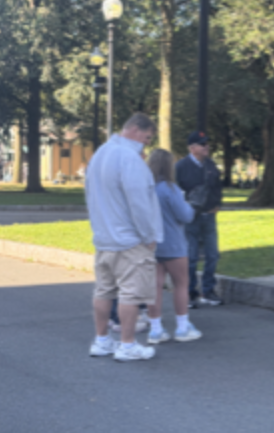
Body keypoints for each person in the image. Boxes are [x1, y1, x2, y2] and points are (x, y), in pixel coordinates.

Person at [84, 113, 162, 362]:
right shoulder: (129, 158)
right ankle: (127, 344)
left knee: (104, 290)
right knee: (131, 293)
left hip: (104, 236)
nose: (146, 144)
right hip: (129, 239)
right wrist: (149, 235)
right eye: (147, 138)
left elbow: (91, 195)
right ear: (137, 131)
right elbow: (139, 201)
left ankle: (102, 339)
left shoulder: (101, 153)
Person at [142, 148, 202, 344]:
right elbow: (185, 215)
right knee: (181, 285)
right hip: (173, 243)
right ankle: (182, 327)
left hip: (150, 244)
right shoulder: (170, 189)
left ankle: (156, 329)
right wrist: (191, 206)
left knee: (155, 287)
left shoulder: (145, 188)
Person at [176, 131, 224, 307]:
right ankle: (189, 292)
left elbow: (217, 187)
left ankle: (208, 290)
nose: (206, 147)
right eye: (202, 144)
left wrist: (218, 204)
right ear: (192, 148)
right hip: (190, 218)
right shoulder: (181, 167)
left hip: (209, 216)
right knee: (191, 256)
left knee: (212, 254)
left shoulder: (211, 166)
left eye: (207, 144)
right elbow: (175, 191)